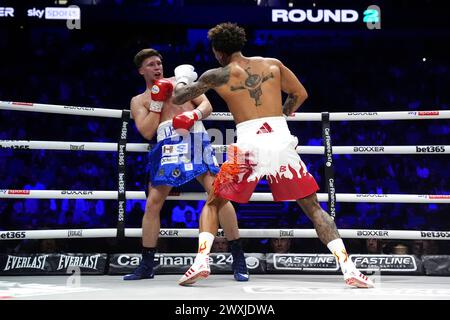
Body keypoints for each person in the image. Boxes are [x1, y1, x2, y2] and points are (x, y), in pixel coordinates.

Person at [173, 22, 374, 288]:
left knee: (214, 202)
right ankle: (349, 268)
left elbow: (178, 98)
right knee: (313, 208)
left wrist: (183, 77)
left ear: (218, 51)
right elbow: (300, 94)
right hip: (280, 137)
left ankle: (200, 262)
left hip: (247, 145)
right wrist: (280, 116)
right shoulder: (273, 64)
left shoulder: (217, 75)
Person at [123, 48, 248, 281]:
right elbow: (148, 131)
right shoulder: (139, 100)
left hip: (195, 136)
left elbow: (206, 105)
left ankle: (238, 259)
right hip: (166, 144)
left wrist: (192, 116)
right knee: (153, 203)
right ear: (141, 70)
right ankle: (147, 264)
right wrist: (158, 103)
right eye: (151, 64)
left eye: (159, 63)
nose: (157, 67)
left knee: (218, 194)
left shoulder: (180, 82)